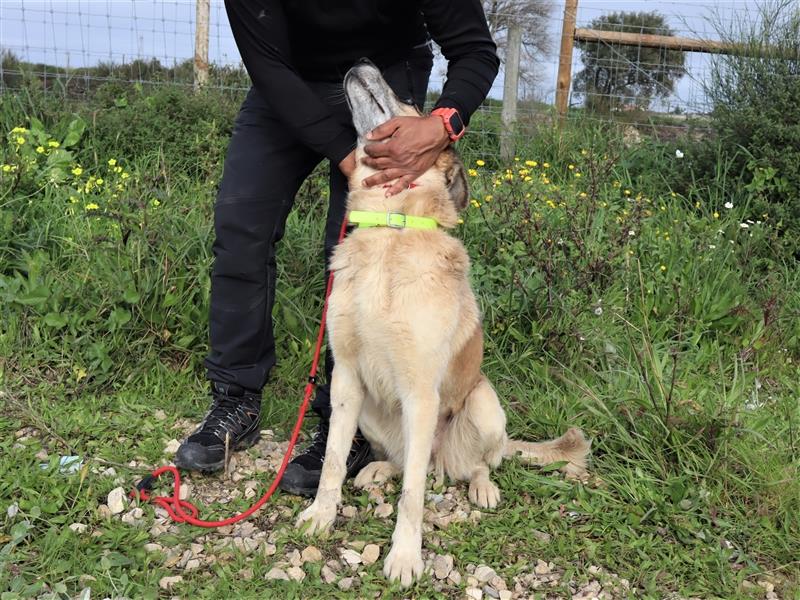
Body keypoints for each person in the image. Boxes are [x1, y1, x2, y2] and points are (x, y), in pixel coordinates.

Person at [175, 0, 500, 496]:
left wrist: (440, 126)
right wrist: (350, 159)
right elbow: (266, 65)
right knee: (242, 228)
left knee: (356, 243)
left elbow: (475, 49)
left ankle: (343, 426)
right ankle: (236, 398)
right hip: (287, 82)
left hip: (383, 76)